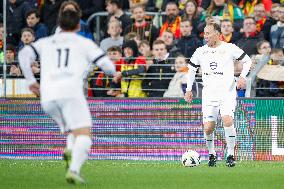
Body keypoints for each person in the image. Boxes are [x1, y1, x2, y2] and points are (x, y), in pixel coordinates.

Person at [18, 10, 116, 184]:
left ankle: (70, 147)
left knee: (72, 129)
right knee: (84, 134)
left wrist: (31, 80)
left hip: (47, 95)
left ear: (58, 24)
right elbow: (106, 66)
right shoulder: (84, 43)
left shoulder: (45, 42)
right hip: (71, 92)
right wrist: (114, 73)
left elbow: (23, 54)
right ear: (78, 25)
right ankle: (74, 170)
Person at [184, 23, 252, 167]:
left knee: (227, 119)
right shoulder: (200, 51)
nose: (205, 36)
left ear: (217, 33)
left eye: (208, 33)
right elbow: (191, 70)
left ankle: (230, 154)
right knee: (208, 127)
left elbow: (248, 61)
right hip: (209, 94)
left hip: (227, 93)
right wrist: (189, 89)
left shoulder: (229, 48)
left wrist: (242, 77)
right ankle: (212, 153)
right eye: (204, 33)